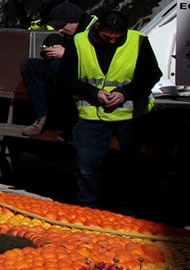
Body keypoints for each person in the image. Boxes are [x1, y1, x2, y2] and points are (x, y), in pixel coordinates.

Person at [60, 12, 160, 207]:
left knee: (133, 165)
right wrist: (94, 93)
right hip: (92, 114)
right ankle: (89, 208)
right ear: (98, 27)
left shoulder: (138, 41)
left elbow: (151, 75)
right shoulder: (79, 42)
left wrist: (124, 93)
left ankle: (129, 210)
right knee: (87, 164)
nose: (113, 42)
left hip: (130, 114)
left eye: (118, 38)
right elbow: (65, 79)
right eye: (108, 37)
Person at [21, 1, 87, 134]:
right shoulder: (70, 33)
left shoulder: (91, 30)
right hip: (69, 65)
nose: (60, 30)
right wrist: (50, 54)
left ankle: (67, 121)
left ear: (73, 21)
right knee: (30, 65)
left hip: (85, 75)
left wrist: (65, 54)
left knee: (57, 68)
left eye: (61, 26)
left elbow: (94, 57)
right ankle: (42, 116)